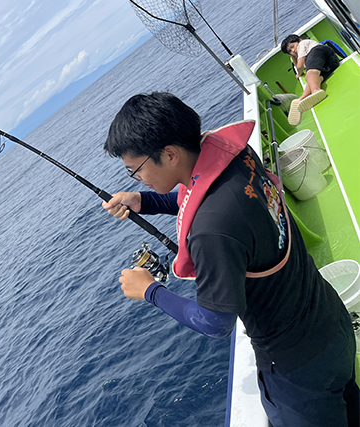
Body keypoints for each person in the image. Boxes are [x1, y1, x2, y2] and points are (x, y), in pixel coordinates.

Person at [102, 92, 359, 426]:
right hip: (331, 322)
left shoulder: (211, 232)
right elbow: (199, 192)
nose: (139, 178)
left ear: (169, 154)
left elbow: (215, 322)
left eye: (135, 171)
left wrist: (149, 290)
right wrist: (144, 200)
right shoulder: (239, 156)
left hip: (299, 368)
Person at [280, 34, 340, 126]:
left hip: (322, 52)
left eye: (292, 47)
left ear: (299, 40)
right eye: (290, 52)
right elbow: (302, 66)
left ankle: (316, 90)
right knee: (315, 78)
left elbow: (300, 67)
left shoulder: (303, 44)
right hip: (331, 64)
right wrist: (293, 58)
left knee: (310, 74)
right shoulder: (306, 55)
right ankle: (302, 98)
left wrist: (299, 74)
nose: (293, 51)